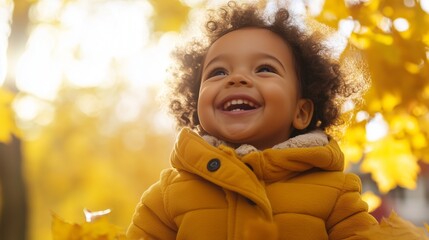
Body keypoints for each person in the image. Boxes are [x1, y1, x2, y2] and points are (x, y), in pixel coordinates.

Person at [127, 1, 378, 239]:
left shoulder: (336, 194)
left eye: (264, 69)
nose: (236, 79)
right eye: (219, 72)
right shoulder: (167, 197)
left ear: (301, 112)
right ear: (197, 107)